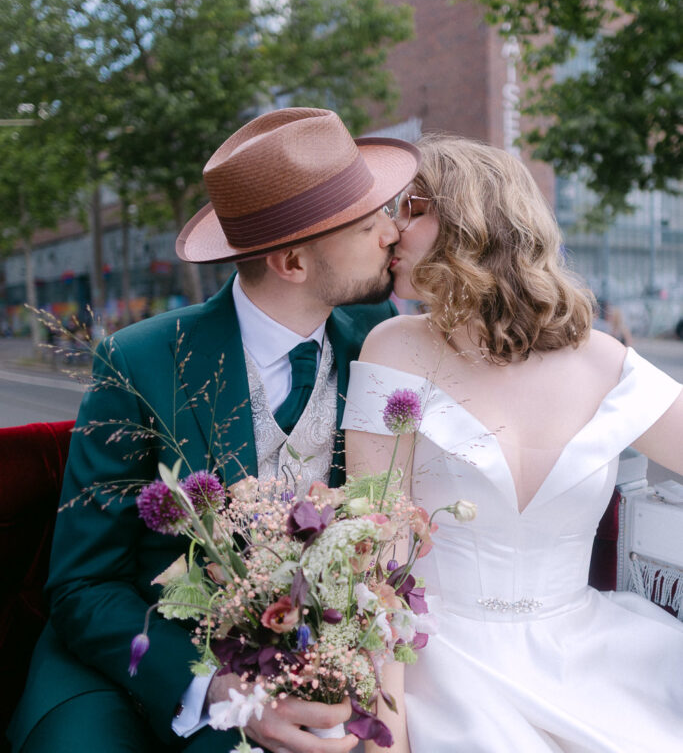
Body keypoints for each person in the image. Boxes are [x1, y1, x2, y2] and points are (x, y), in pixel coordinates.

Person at [9, 107, 419, 753]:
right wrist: (222, 691)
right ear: (290, 261)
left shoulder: (383, 345)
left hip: (308, 665)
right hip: (134, 671)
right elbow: (83, 585)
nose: (393, 233)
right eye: (370, 224)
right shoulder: (139, 363)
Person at [343, 135, 683, 753]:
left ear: (473, 221)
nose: (389, 232)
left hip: (596, 665)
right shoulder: (392, 348)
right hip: (438, 672)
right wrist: (382, 727)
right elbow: (377, 555)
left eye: (410, 207)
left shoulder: (608, 365)